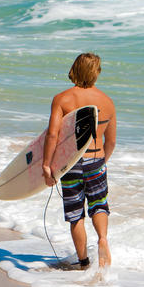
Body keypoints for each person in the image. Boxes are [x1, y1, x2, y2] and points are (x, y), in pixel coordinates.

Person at [42, 52, 117, 269]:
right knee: (99, 204)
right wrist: (102, 162)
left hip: (71, 162)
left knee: (76, 214)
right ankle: (102, 239)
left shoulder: (62, 99)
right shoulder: (107, 102)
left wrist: (47, 165)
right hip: (96, 159)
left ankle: (83, 262)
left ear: (75, 68)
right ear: (96, 73)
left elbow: (53, 135)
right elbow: (110, 140)